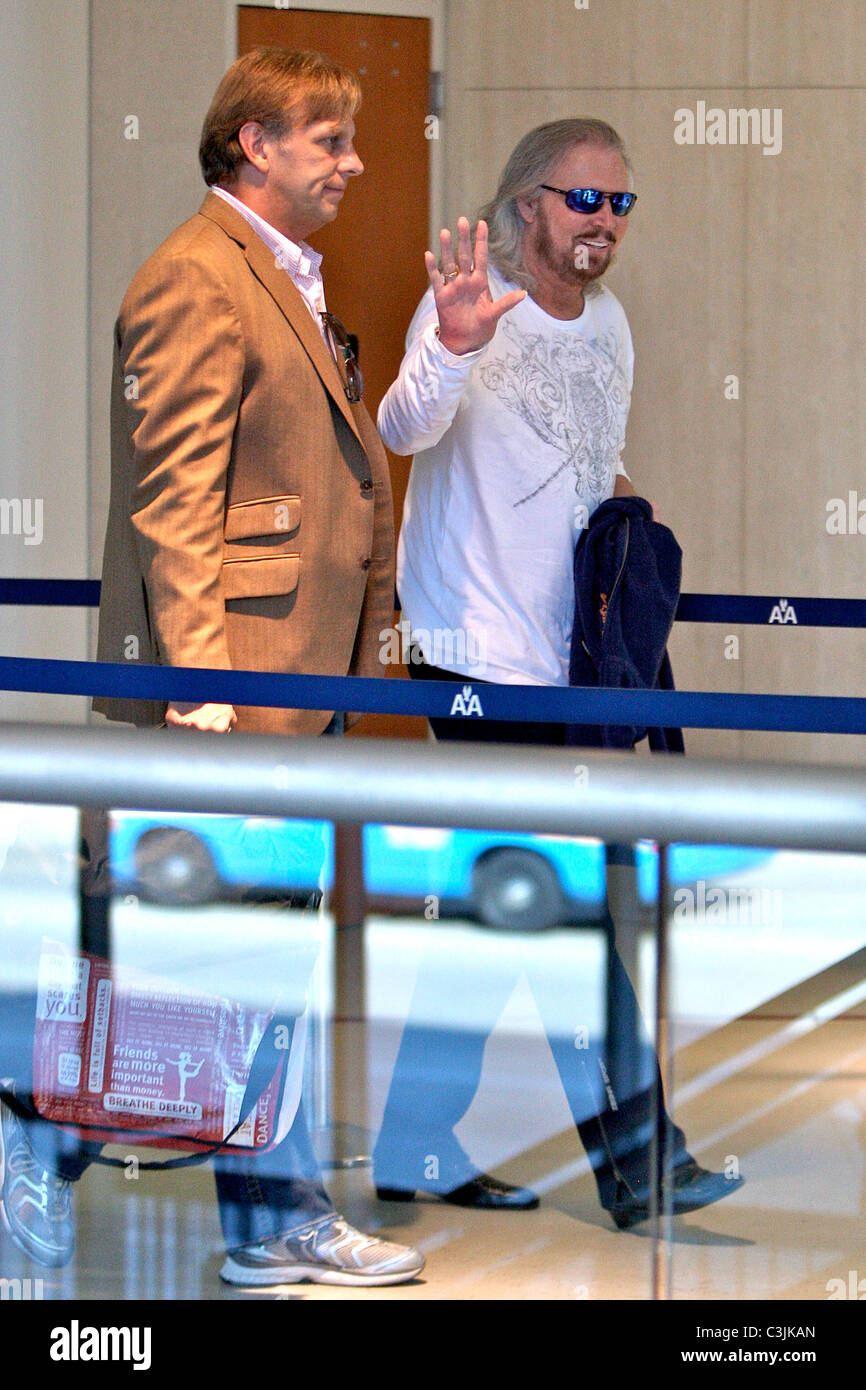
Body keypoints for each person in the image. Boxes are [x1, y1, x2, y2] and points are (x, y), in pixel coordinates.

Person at [0, 47, 422, 1290]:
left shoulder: (283, 275)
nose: (353, 163)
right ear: (253, 143)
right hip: (227, 691)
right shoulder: (195, 277)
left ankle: (267, 1220)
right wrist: (199, 694)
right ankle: (35, 1147)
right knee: (171, 970)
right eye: (328, 139)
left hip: (303, 684)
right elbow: (173, 500)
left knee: (263, 964)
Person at [372, 119, 741, 1228]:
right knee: (567, 902)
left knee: (501, 900)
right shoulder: (468, 301)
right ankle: (641, 1164)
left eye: (620, 206)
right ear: (527, 201)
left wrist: (627, 509)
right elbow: (402, 425)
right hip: (474, 658)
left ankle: (413, 1140)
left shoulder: (611, 325)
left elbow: (593, 454)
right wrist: (448, 342)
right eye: (584, 201)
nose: (603, 226)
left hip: (567, 662)